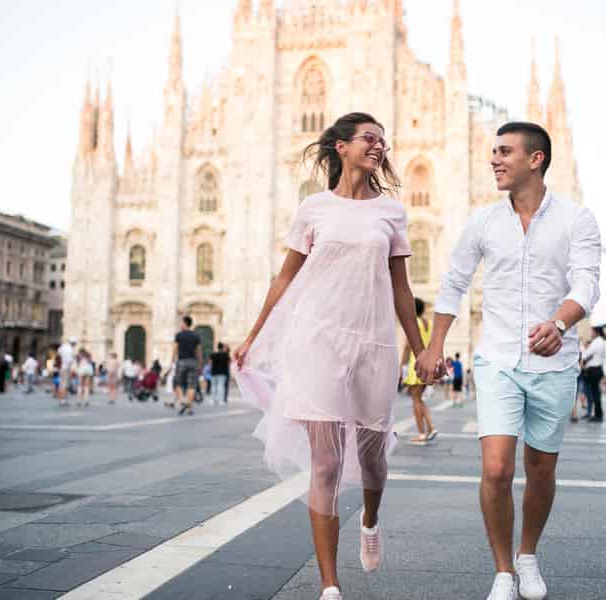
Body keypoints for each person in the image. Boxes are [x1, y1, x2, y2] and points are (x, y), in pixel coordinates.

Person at [234, 112, 424, 600]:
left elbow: (403, 291)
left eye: (383, 141)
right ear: (341, 147)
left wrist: (421, 351)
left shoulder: (391, 213)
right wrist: (253, 336)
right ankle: (330, 585)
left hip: (373, 342)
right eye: (369, 138)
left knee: (373, 455)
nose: (379, 146)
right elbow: (285, 278)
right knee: (326, 462)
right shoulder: (312, 208)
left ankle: (371, 518)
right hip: (317, 338)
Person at [415, 121, 601, 600]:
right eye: (493, 151)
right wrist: (434, 346)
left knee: (540, 470)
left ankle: (528, 555)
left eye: (504, 152)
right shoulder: (482, 221)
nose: (494, 160)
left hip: (555, 362)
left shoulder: (576, 220)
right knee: (497, 470)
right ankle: (502, 571)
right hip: (496, 358)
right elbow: (454, 282)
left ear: (535, 159)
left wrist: (558, 323)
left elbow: (586, 285)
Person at [400, 297, 438, 444]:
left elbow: (408, 346)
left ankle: (421, 433)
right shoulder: (428, 322)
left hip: (415, 364)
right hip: (426, 363)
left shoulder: (414, 323)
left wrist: (401, 366)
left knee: (415, 399)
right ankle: (431, 427)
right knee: (419, 399)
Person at [172, 316, 202, 415]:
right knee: (191, 385)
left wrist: (172, 361)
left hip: (182, 361)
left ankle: (182, 401)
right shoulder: (196, 336)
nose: (180, 325)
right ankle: (189, 407)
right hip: (193, 362)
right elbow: (198, 351)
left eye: (181, 323)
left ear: (185, 323)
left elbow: (175, 349)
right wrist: (200, 363)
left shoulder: (179, 335)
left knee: (177, 383)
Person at [583, 326, 606, 422]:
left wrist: (584, 354)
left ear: (597, 332)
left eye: (592, 332)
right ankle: (598, 414)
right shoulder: (601, 342)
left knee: (594, 393)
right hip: (598, 369)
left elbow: (586, 354)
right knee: (596, 393)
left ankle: (597, 415)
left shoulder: (596, 342)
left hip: (593, 370)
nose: (591, 334)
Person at [57, 337, 77, 406]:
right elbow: (69, 360)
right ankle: (63, 400)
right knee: (64, 385)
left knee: (62, 384)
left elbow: (59, 351)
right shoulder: (70, 349)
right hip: (66, 368)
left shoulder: (63, 346)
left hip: (63, 367)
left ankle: (62, 399)